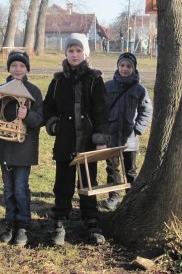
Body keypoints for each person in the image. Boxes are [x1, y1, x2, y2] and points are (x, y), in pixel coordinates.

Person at [43, 33, 109, 245]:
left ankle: (91, 221)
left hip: (88, 140)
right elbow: (48, 106)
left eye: (78, 50)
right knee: (63, 182)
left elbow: (101, 111)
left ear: (85, 53)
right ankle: (59, 221)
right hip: (64, 140)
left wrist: (100, 137)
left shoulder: (94, 79)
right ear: (66, 53)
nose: (74, 54)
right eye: (71, 50)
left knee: (88, 182)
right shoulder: (58, 81)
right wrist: (53, 124)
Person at [0, 50, 43, 247]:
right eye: (14, 65)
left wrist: (27, 115)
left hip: (23, 149)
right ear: (8, 68)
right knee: (8, 189)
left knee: (20, 188)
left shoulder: (33, 91)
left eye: (22, 66)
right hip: (3, 147)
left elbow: (39, 120)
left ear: (27, 69)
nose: (17, 69)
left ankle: (23, 225)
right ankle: (10, 223)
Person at [101, 52, 153, 210]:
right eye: (122, 65)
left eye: (129, 66)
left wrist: (137, 129)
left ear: (134, 68)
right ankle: (114, 197)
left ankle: (131, 197)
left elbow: (146, 110)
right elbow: (100, 109)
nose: (125, 69)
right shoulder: (108, 86)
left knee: (130, 169)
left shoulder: (139, 89)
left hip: (129, 138)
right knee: (112, 168)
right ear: (117, 67)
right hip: (110, 136)